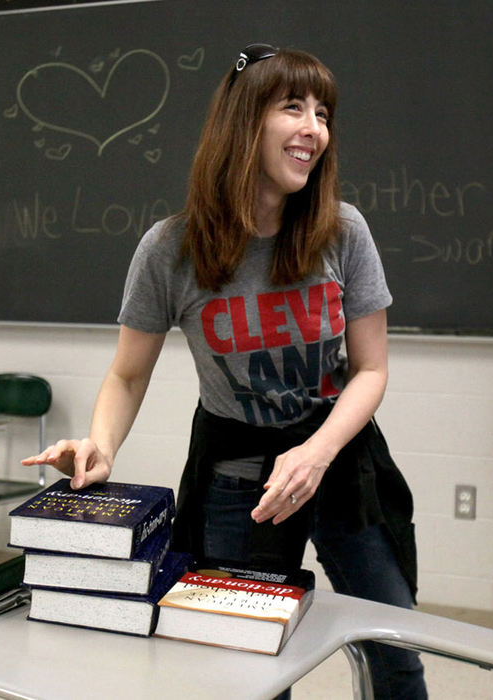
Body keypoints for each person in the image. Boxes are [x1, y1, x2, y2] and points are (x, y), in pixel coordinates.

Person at [22, 43, 426, 700]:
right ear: (243, 121)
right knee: (244, 665)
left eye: (323, 112)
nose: (314, 128)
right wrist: (101, 444)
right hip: (238, 481)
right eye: (292, 107)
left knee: (397, 650)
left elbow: (371, 370)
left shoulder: (342, 232)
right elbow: (127, 376)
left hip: (340, 460)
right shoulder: (170, 250)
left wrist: (316, 453)